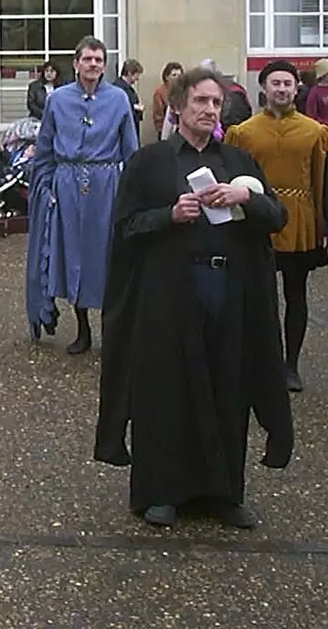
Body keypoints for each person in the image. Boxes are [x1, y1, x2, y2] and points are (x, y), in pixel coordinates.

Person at [95, 66, 293, 530]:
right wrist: (170, 214)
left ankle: (223, 492)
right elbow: (124, 228)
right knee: (167, 390)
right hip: (169, 294)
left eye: (216, 103)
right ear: (179, 106)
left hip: (228, 290)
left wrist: (244, 199)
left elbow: (276, 216)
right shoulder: (150, 163)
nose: (209, 110)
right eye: (201, 101)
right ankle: (161, 492)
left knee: (229, 386)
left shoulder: (238, 163)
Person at [226, 61, 328, 391]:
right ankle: (258, 362)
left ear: (296, 89)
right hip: (256, 220)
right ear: (263, 88)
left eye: (287, 84)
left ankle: (290, 365)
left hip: (299, 221)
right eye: (275, 83)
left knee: (296, 294)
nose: (281, 89)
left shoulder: (315, 132)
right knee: (257, 296)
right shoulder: (244, 133)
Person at [25, 36, 138, 353]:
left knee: (106, 257)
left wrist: (133, 191)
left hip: (106, 186)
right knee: (73, 256)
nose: (93, 65)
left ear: (104, 65)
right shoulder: (58, 99)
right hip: (67, 184)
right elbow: (45, 147)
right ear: (76, 64)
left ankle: (111, 330)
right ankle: (83, 329)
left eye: (99, 60)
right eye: (87, 59)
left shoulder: (118, 99)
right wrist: (46, 187)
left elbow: (130, 149)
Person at [150, 61, 182, 141]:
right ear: (167, 77)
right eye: (174, 75)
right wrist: (161, 129)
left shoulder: (184, 90)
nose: (177, 78)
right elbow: (158, 113)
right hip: (165, 129)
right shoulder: (160, 91)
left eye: (179, 75)